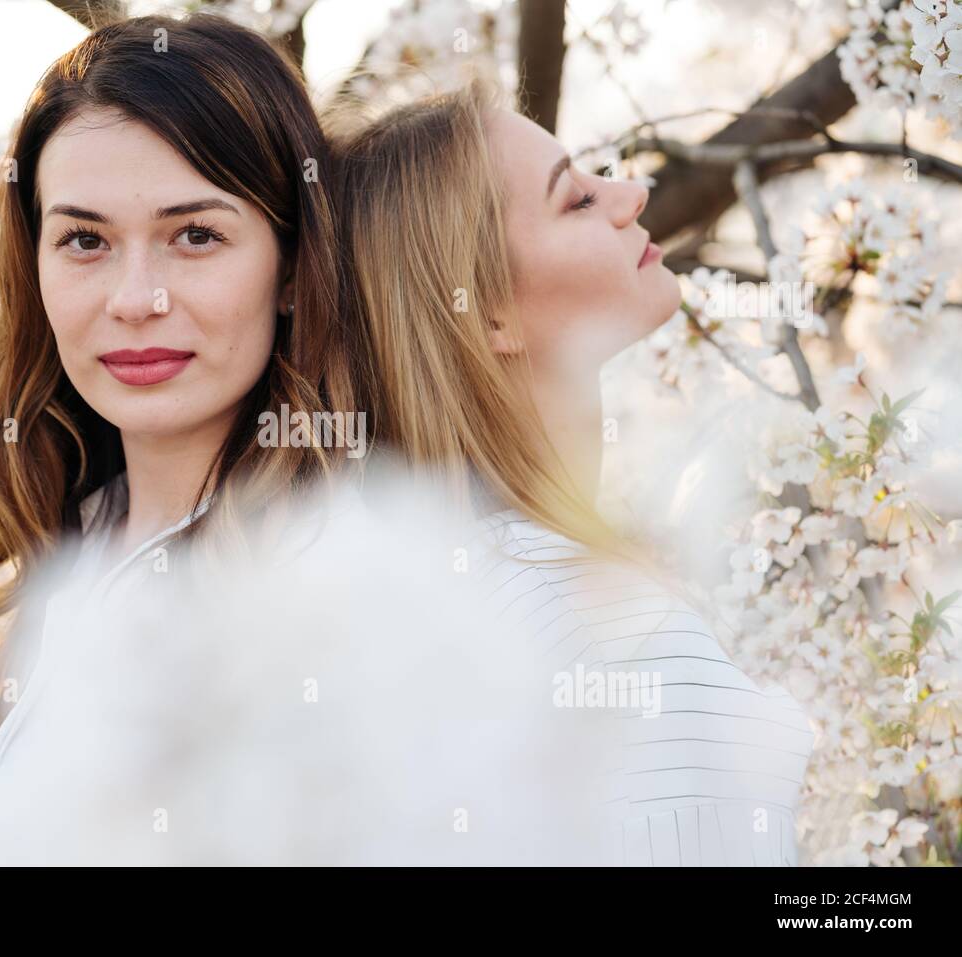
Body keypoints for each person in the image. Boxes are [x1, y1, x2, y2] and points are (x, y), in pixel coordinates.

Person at [329, 78, 816, 865]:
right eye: (578, 201)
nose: (632, 191)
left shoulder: (412, 611)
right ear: (488, 311)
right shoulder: (621, 644)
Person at [0, 13, 358, 864]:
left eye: (196, 235)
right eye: (85, 240)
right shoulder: (60, 551)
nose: (135, 297)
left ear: (295, 267)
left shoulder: (349, 574)